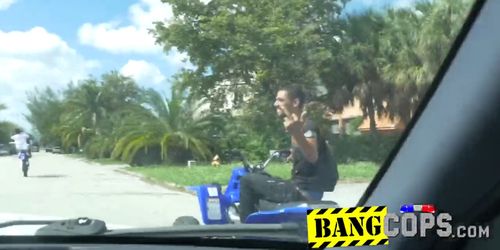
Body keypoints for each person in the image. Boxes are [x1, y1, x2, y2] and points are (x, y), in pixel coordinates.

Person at [238, 85, 339, 222]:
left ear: (295, 103)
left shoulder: (306, 126)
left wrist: (296, 133)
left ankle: (246, 233)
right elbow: (306, 151)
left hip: (304, 192)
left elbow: (312, 156)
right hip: (300, 187)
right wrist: (293, 153)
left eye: (280, 100)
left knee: (247, 180)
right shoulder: (297, 126)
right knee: (261, 177)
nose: (275, 104)